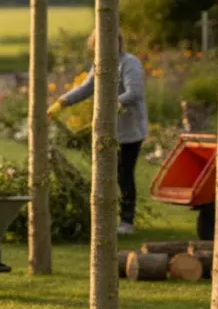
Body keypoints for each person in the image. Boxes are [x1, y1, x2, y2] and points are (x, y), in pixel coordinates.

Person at [48, 30, 147, 236]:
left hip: (130, 130)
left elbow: (134, 92)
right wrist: (62, 102)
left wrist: (115, 103)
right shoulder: (100, 63)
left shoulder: (129, 63)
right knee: (105, 172)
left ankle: (127, 221)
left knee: (124, 173)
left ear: (118, 42)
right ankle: (107, 214)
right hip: (108, 129)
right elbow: (87, 88)